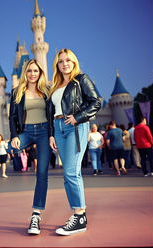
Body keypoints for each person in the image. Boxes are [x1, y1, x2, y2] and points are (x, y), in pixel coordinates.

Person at [48, 48, 101, 236]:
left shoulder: (81, 79)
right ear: (57, 64)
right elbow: (50, 111)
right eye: (61, 61)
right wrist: (51, 133)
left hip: (75, 126)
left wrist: (78, 117)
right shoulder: (54, 85)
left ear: (74, 62)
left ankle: (79, 215)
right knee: (69, 173)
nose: (65, 64)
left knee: (71, 171)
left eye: (68, 60)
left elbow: (96, 102)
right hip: (58, 128)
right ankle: (79, 214)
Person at [9, 58, 51, 235]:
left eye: (36, 71)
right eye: (29, 71)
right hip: (25, 131)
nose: (32, 74)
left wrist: (51, 136)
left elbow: (53, 113)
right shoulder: (17, 92)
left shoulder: (47, 91)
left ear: (40, 72)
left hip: (43, 132)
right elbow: (12, 117)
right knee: (9, 149)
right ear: (24, 73)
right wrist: (14, 136)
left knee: (41, 173)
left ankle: (36, 215)